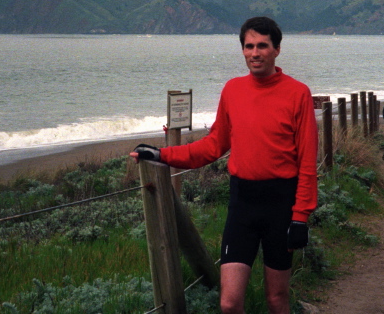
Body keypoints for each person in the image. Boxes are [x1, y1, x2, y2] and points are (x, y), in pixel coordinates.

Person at [130, 17, 318, 314]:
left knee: (276, 299)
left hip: (281, 207)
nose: (255, 53)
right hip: (242, 205)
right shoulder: (233, 90)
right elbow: (212, 146)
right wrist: (162, 155)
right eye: (249, 46)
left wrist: (300, 218)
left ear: (277, 49)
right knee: (229, 303)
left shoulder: (298, 93)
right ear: (242, 50)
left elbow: (307, 163)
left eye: (262, 46)